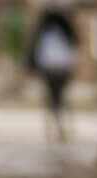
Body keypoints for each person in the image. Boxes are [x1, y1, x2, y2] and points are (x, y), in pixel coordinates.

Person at [27, 3, 79, 143]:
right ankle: (59, 126)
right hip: (58, 66)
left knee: (55, 98)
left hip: (53, 66)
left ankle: (58, 126)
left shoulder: (48, 33)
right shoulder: (60, 33)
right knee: (58, 97)